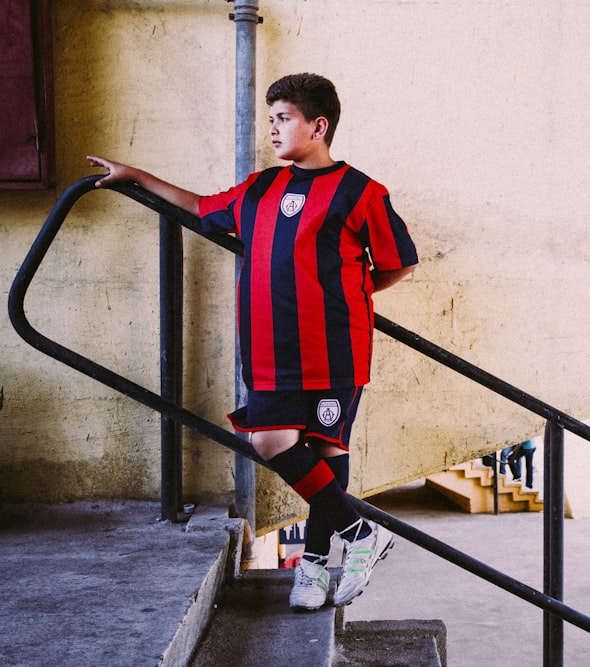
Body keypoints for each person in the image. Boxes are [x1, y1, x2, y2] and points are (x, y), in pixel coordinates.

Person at [87, 73, 419, 611]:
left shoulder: (362, 191)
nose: (273, 128)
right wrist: (137, 176)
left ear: (318, 125)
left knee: (327, 453)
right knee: (270, 441)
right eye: (270, 119)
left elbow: (398, 263)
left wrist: (347, 292)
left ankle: (312, 571)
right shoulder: (262, 188)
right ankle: (361, 534)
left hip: (336, 348)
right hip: (270, 351)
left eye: (283, 118)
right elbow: (200, 207)